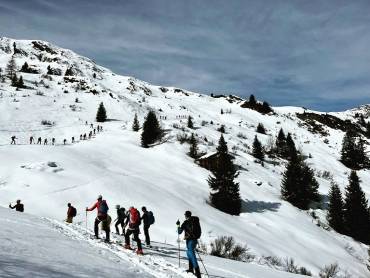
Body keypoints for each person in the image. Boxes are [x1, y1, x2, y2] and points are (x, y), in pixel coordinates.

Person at [177, 211, 202, 278]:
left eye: (185, 215)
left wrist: (178, 225)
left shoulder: (186, 222)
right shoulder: (195, 220)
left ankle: (198, 273)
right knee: (189, 253)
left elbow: (179, 232)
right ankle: (191, 269)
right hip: (195, 240)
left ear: (186, 216)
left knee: (191, 254)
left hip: (189, 240)